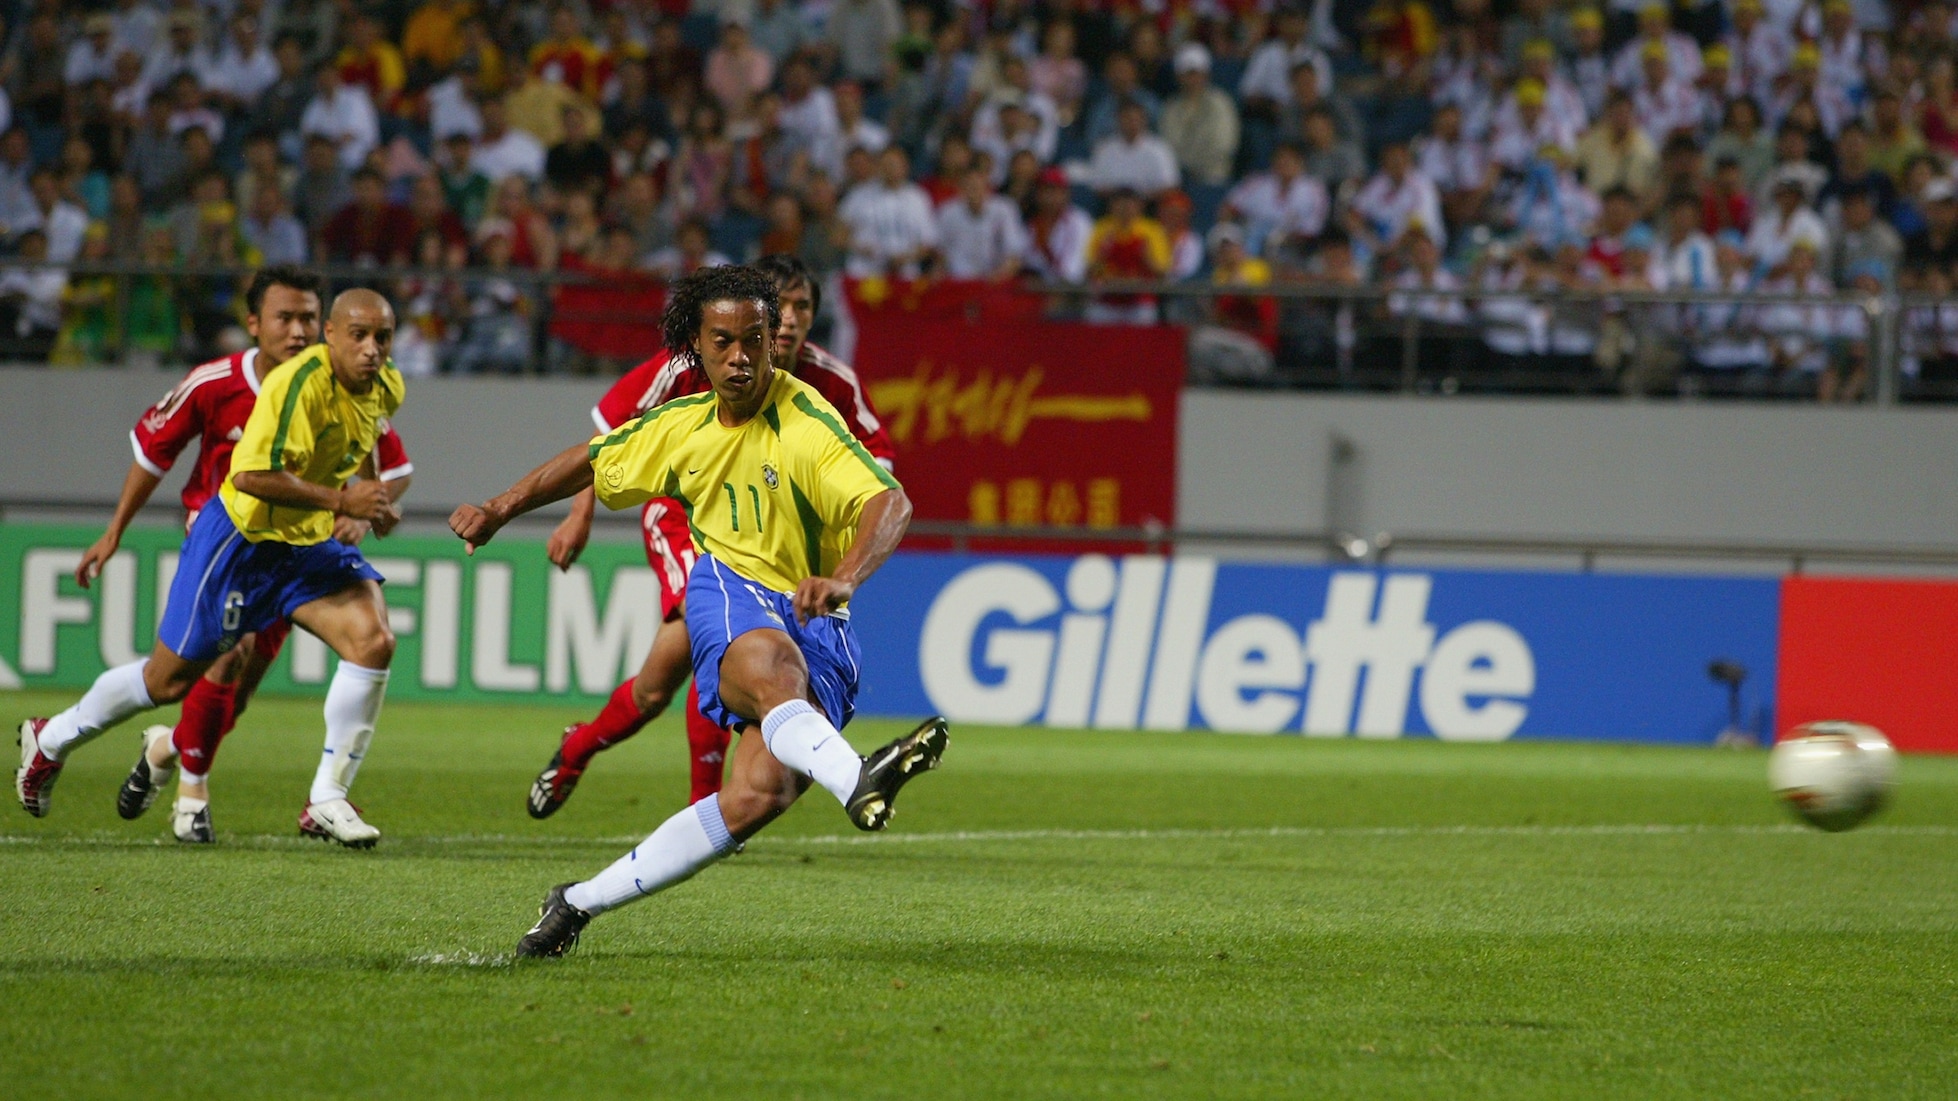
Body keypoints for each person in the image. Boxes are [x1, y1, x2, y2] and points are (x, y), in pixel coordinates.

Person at [449, 266, 946, 957]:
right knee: (767, 668)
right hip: (725, 585)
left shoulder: (807, 421)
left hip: (816, 613)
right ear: (696, 347)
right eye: (723, 342)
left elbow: (890, 502)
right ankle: (856, 776)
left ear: (775, 340)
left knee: (756, 796)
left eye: (754, 340)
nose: (740, 357)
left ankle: (576, 901)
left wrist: (843, 575)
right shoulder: (679, 424)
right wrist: (500, 508)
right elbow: (591, 460)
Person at [20, 289, 410, 849]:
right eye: (360, 335)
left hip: (302, 542)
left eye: (383, 337)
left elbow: (367, 432)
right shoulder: (294, 386)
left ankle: (327, 794)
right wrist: (344, 502)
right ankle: (51, 738)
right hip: (240, 539)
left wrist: (368, 493)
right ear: (331, 335)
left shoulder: (388, 382)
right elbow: (250, 477)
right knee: (167, 681)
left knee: (373, 641)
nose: (373, 349)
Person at [529, 256, 897, 818]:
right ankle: (705, 803)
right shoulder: (693, 360)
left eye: (802, 308)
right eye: (784, 306)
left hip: (771, 534)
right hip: (682, 516)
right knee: (715, 632)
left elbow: (880, 465)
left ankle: (579, 745)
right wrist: (580, 515)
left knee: (656, 686)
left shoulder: (829, 383)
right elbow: (609, 439)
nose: (792, 320)